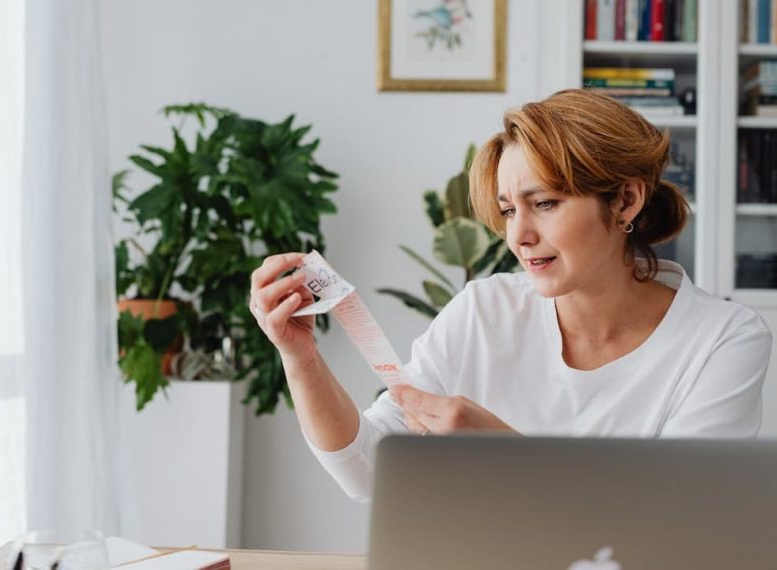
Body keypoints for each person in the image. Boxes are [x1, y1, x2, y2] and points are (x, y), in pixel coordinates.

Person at [247, 89, 773, 501]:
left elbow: (678, 518)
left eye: (543, 203)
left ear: (626, 200)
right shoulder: (484, 311)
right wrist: (301, 358)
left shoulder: (722, 339)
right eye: (507, 210)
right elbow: (367, 472)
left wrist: (505, 454)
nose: (517, 236)